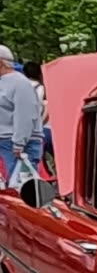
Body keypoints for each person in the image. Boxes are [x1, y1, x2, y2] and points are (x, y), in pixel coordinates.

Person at [0, 44, 43, 187]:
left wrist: (19, 143)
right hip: (7, 140)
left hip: (18, 143)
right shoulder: (6, 83)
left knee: (21, 185)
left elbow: (25, 114)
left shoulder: (19, 83)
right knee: (13, 184)